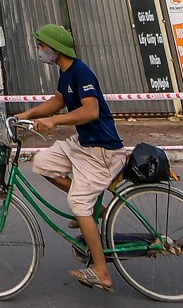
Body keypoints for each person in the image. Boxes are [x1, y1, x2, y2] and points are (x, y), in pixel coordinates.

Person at [18, 23, 125, 293]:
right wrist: (28, 114)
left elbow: (90, 111)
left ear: (54, 48)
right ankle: (95, 210)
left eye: (42, 46)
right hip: (83, 144)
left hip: (101, 149)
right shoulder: (65, 74)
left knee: (77, 201)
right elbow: (57, 101)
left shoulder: (81, 71)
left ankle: (101, 272)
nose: (40, 50)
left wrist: (54, 122)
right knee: (42, 163)